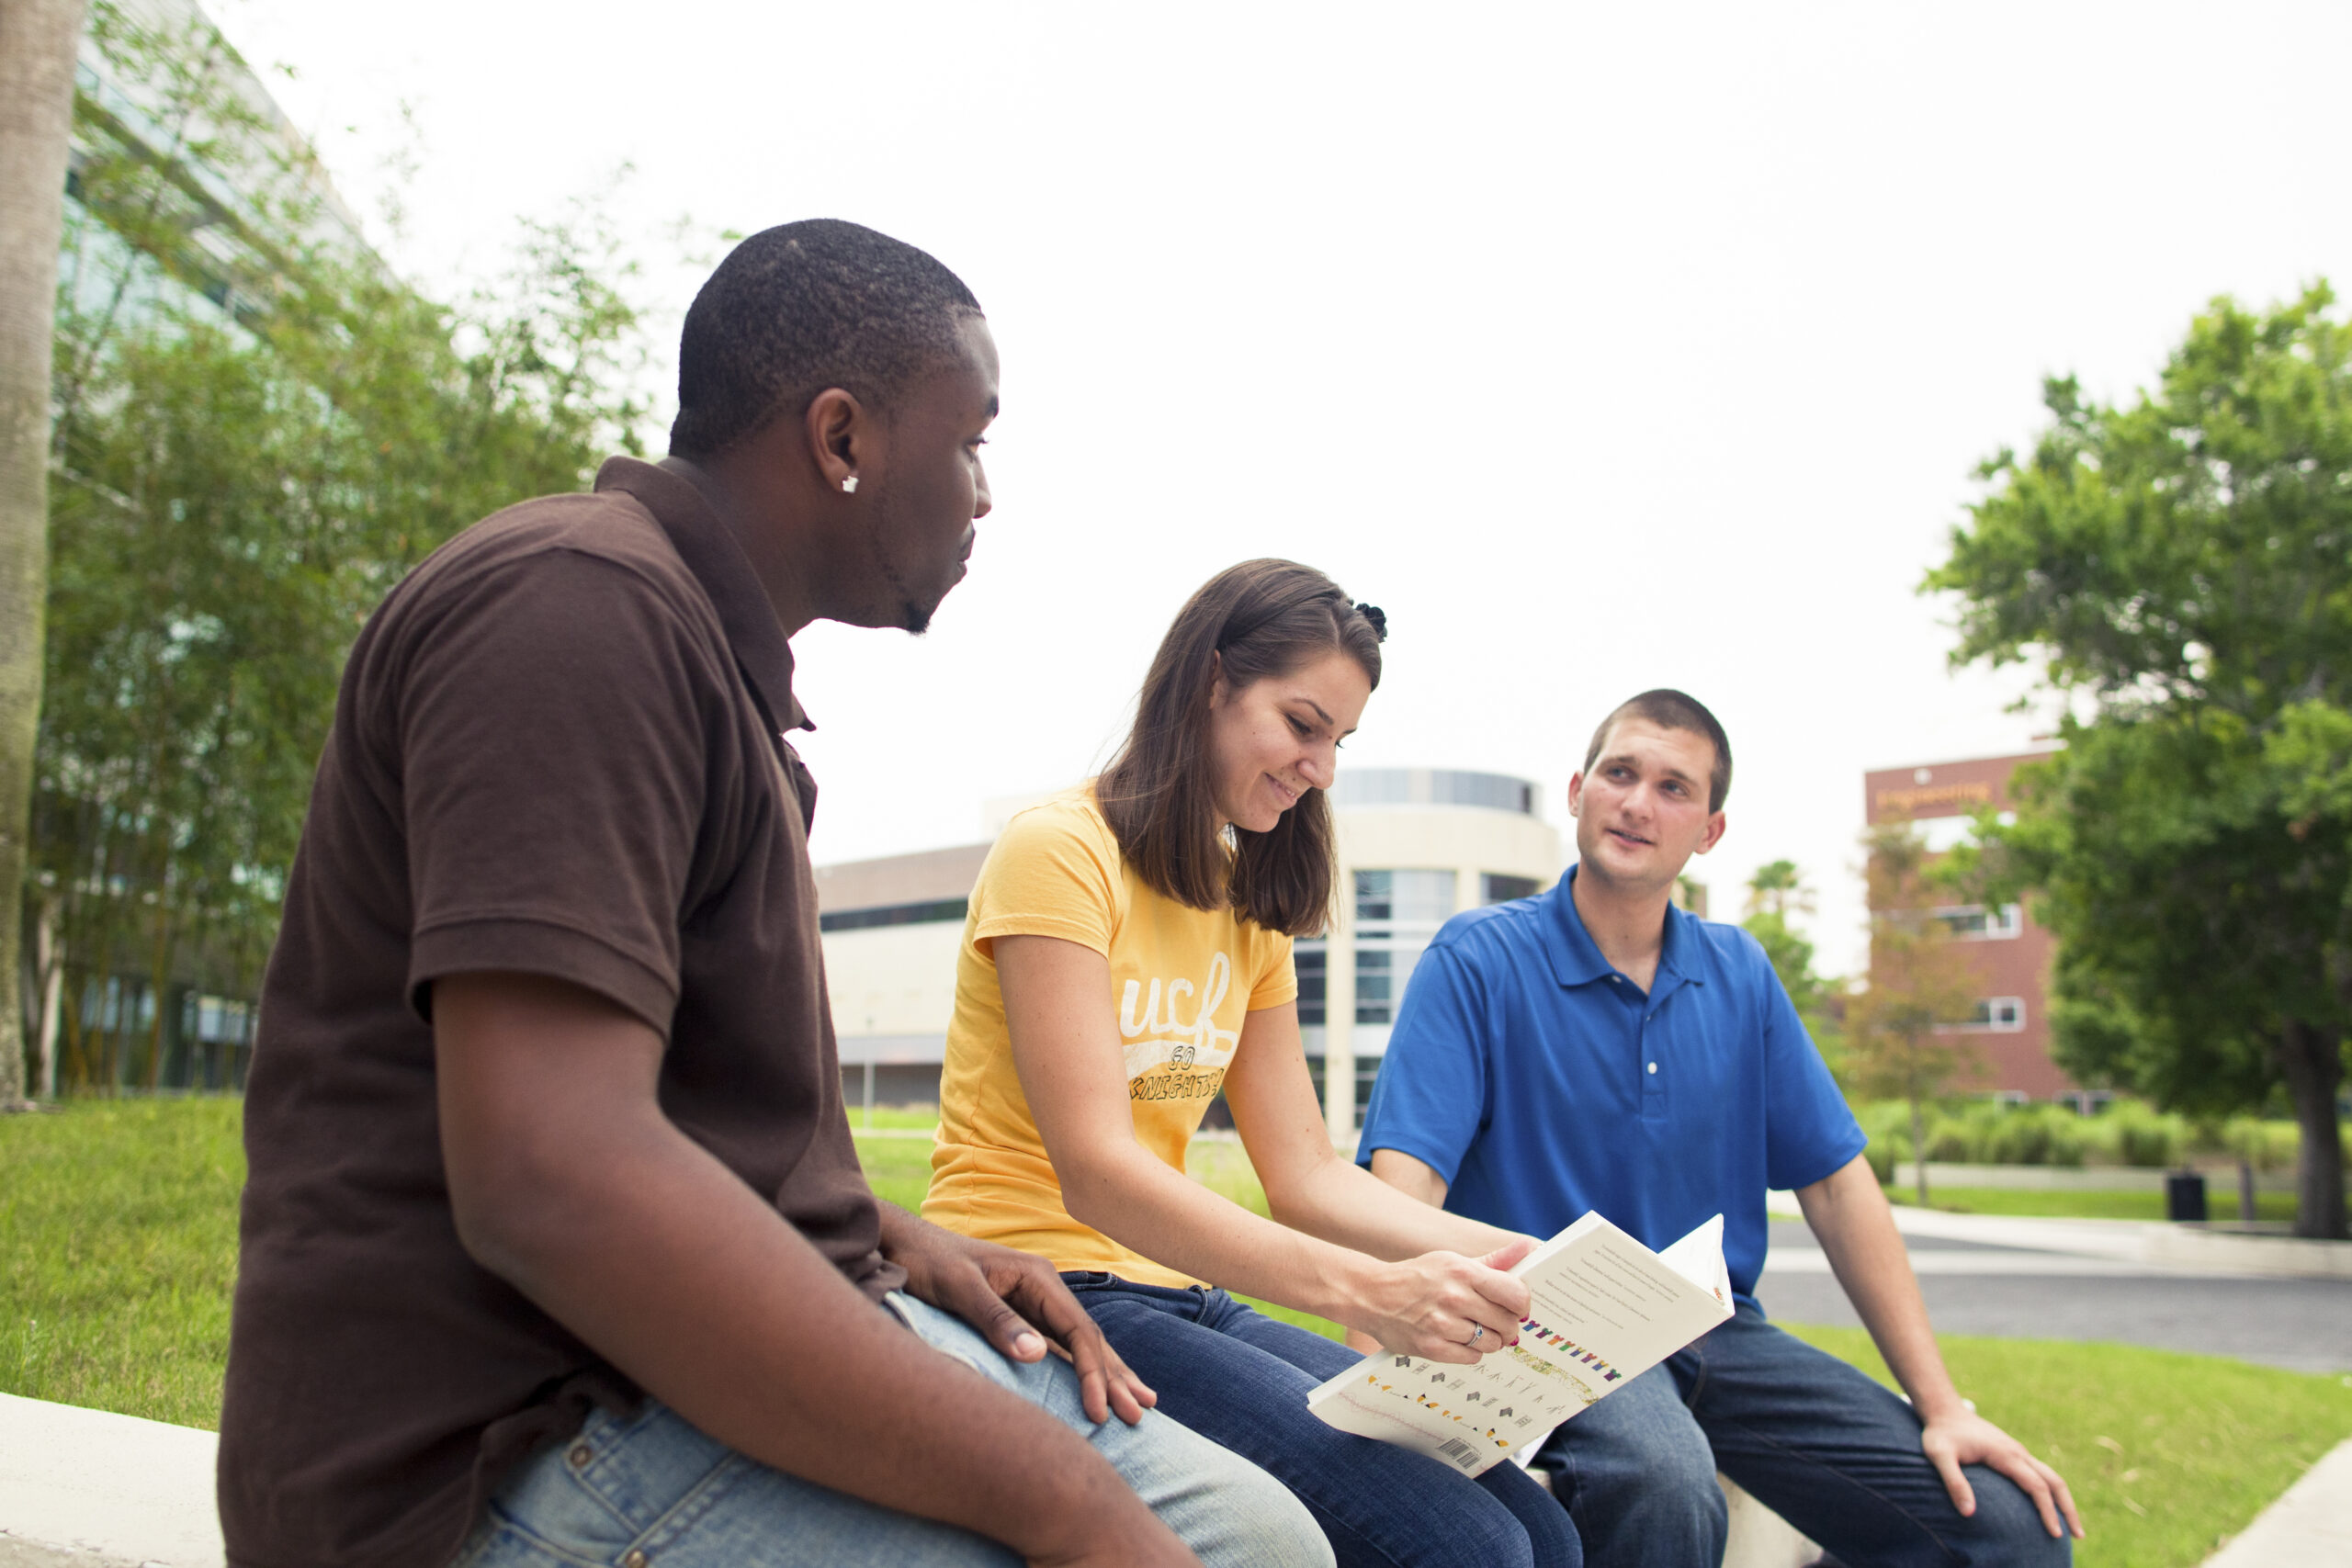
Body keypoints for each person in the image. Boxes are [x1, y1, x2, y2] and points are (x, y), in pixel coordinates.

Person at [216, 221, 1332, 1568]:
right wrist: (1066, 1501)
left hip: (662, 1364)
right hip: (495, 1444)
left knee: (1263, 1535)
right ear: (844, 437)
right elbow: (552, 1173)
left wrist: (885, 1229)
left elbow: (683, 1121)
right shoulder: (578, 610)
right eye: (971, 439)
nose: (985, 492)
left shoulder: (701, 659)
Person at [921, 560, 1583, 1568]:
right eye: (1303, 724)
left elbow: (1307, 1174)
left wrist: (1526, 1258)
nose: (1318, 766)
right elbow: (1097, 1171)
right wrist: (1365, 1292)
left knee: (1540, 1529)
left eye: (1339, 743)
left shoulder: (1245, 898)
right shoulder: (1058, 852)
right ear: (1210, 681)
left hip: (1173, 1289)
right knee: (1468, 1549)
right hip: (1045, 1284)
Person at [1354, 689, 2085, 1568]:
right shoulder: (1476, 958)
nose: (1637, 802)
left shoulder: (1740, 972)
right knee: (1664, 1484)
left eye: (1673, 787)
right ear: (1579, 790)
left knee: (2006, 1528)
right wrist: (1385, 1392)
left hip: (1715, 1333)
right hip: (1545, 1328)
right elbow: (1403, 1187)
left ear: (1710, 830)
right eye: (1620, 773)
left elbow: (1838, 1185)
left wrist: (1943, 1403)